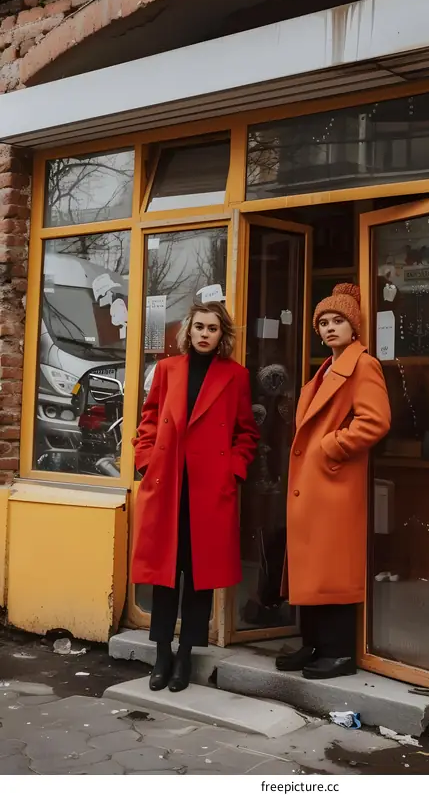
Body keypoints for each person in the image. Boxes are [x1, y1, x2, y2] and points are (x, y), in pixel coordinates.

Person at [132, 299, 259, 692]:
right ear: (188, 331)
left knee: (199, 575)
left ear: (222, 335)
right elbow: (149, 418)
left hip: (208, 489)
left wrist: (233, 470)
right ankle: (161, 655)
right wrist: (145, 461)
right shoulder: (168, 370)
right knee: (165, 575)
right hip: (167, 483)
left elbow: (246, 433)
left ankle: (186, 655)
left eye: (212, 328)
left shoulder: (235, 376)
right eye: (199, 327)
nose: (204, 334)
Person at [277, 283, 391, 680]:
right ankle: (313, 644)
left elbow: (375, 420)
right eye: (323, 322)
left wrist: (332, 447)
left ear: (354, 325)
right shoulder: (326, 368)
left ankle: (339, 652)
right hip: (316, 484)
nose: (329, 328)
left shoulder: (363, 365)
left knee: (332, 568)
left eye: (337, 320)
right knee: (312, 565)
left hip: (335, 483)